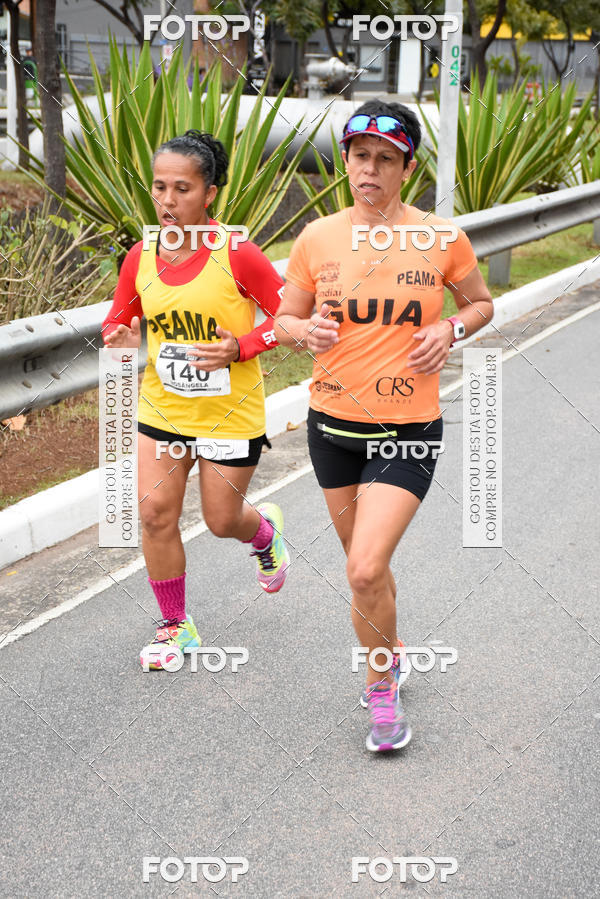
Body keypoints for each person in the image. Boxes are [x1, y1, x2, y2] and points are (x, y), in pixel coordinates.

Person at [274, 102, 493, 752]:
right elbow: (285, 321)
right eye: (358, 154)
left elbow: (480, 303)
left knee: (366, 568)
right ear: (345, 159)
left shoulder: (441, 238)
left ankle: (380, 687)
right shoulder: (318, 237)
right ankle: (390, 646)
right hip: (332, 429)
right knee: (363, 565)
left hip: (408, 429)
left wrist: (449, 330)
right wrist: (302, 329)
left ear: (408, 167)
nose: (369, 168)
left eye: (384, 158)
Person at [102, 130, 289, 670]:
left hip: (228, 415)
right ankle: (174, 627)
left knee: (221, 520)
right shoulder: (140, 255)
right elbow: (119, 319)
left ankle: (263, 533)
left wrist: (242, 345)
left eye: (181, 188)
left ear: (209, 194)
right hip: (162, 408)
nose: (166, 200)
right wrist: (120, 335)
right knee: (155, 514)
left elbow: (290, 322)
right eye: (159, 187)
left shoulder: (239, 255)